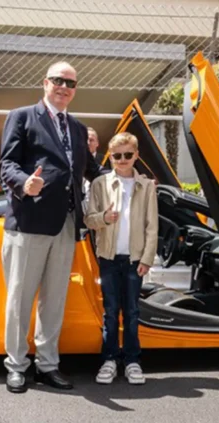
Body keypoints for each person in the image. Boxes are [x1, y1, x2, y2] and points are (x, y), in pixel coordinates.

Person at [0, 61, 103, 393]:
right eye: (58, 80)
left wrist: (132, 182)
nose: (63, 87)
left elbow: (92, 172)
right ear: (45, 82)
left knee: (54, 299)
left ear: (75, 90)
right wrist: (23, 182)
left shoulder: (77, 128)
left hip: (66, 224)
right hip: (29, 222)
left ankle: (47, 365)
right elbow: (6, 163)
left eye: (70, 83)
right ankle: (16, 365)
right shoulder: (23, 116)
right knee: (20, 298)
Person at [84, 132, 158, 385]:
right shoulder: (99, 184)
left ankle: (132, 361)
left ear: (136, 155)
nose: (123, 160)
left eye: (128, 155)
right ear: (110, 157)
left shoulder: (147, 186)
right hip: (108, 256)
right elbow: (89, 219)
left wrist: (147, 258)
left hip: (135, 259)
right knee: (110, 311)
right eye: (117, 156)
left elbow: (152, 226)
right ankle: (109, 360)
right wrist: (104, 218)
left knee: (132, 311)